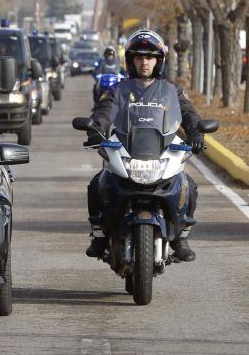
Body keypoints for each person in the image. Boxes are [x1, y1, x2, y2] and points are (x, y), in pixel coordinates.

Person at [84, 29, 203, 262]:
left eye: (150, 57)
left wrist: (197, 131)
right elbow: (104, 112)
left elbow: (188, 114)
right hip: (128, 148)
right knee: (97, 184)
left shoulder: (172, 90)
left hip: (160, 149)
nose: (144, 62)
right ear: (131, 60)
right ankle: (99, 236)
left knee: (188, 185)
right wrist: (96, 128)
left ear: (159, 60)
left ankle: (181, 238)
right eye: (139, 57)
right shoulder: (119, 90)